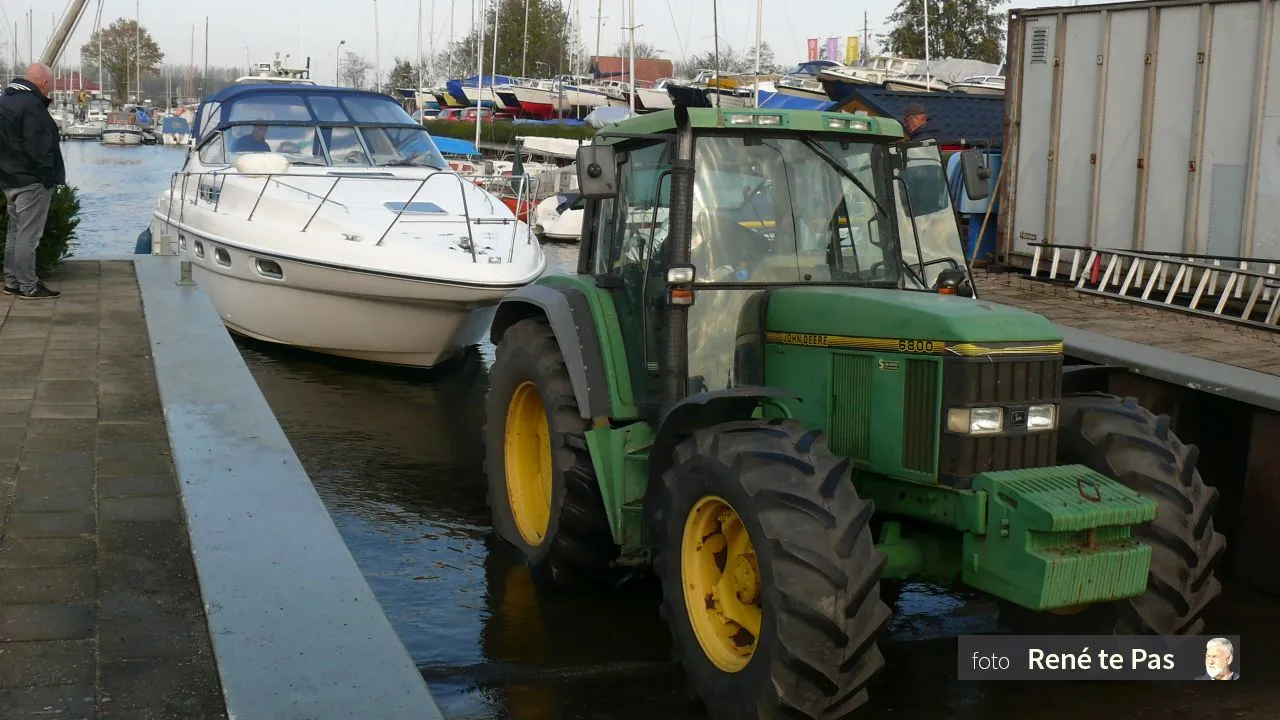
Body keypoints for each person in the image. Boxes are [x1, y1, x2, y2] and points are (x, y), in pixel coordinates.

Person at [0, 63, 64, 299]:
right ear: (44, 83)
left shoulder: (6, 99)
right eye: (51, 86)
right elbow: (38, 145)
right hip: (31, 180)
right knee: (29, 235)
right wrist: (48, 175)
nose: (50, 91)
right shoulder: (32, 105)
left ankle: (12, 281)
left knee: (15, 232)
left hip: (9, 178)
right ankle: (29, 285)